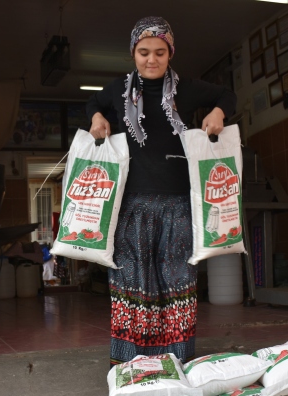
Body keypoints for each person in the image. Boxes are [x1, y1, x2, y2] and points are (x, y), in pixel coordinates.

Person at [86, 16, 236, 367]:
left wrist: (218, 112)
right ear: (133, 53)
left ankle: (177, 359)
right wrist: (96, 118)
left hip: (178, 202)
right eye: (143, 52)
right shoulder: (117, 90)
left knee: (177, 278)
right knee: (131, 278)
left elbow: (226, 95)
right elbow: (92, 103)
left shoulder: (187, 89)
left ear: (170, 54)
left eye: (159, 52)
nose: (151, 59)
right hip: (131, 204)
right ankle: (128, 360)